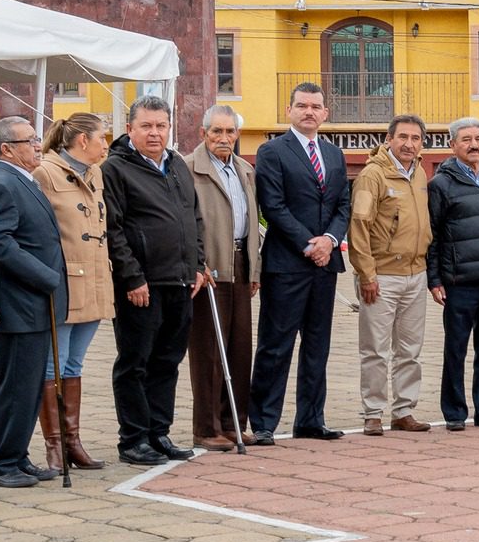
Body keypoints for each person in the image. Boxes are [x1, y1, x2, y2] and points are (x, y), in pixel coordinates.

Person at [106, 95, 210, 466]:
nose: (154, 133)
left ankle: (158, 432)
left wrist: (197, 264)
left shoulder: (178, 165)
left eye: (160, 126)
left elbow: (193, 220)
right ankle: (133, 439)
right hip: (141, 285)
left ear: (169, 127)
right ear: (130, 129)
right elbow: (113, 230)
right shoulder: (115, 169)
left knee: (168, 360)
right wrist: (132, 277)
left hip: (181, 281)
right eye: (146, 126)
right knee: (136, 362)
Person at [249, 83, 352, 443]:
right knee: (276, 345)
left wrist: (331, 240)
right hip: (287, 263)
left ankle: (310, 419)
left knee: (317, 346)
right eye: (302, 105)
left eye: (316, 106)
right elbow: (272, 206)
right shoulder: (272, 151)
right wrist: (310, 243)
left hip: (325, 266)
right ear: (290, 110)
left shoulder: (334, 155)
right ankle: (263, 422)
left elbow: (343, 205)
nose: (309, 111)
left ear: (325, 113)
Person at [0, 117, 70, 488]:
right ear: (6, 149)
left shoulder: (20, 179)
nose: (37, 145)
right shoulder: (0, 182)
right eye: (29, 140)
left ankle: (16, 455)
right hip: (18, 303)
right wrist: (45, 276)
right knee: (16, 385)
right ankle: (1, 464)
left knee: (30, 385)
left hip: (34, 302)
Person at [33, 112, 113, 471]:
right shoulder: (45, 173)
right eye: (102, 138)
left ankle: (73, 441)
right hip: (64, 282)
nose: (106, 145)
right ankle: (54, 447)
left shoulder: (95, 172)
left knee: (75, 364)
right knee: (55, 362)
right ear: (83, 141)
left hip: (95, 278)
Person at [426, 117, 479, 431]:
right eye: (466, 139)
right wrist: (434, 279)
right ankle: (454, 412)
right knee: (456, 349)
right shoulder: (440, 183)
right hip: (458, 282)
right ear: (453, 145)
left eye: (478, 138)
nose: (474, 144)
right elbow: (432, 235)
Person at [349, 114, 433, 435]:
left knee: (410, 350)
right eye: (403, 137)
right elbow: (359, 225)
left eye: (415, 138)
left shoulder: (419, 174)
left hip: (416, 274)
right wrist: (367, 274)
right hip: (381, 276)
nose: (409, 144)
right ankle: (373, 412)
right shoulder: (373, 176)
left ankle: (403, 410)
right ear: (389, 139)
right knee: (375, 350)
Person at [184, 105, 261, 451]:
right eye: (217, 132)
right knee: (208, 351)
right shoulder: (188, 169)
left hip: (241, 265)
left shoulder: (245, 170)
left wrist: (255, 269)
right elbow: (185, 224)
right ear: (203, 134)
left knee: (239, 349)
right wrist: (196, 264)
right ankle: (206, 427)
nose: (224, 138)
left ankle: (233, 421)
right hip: (209, 269)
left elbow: (253, 222)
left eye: (230, 132)